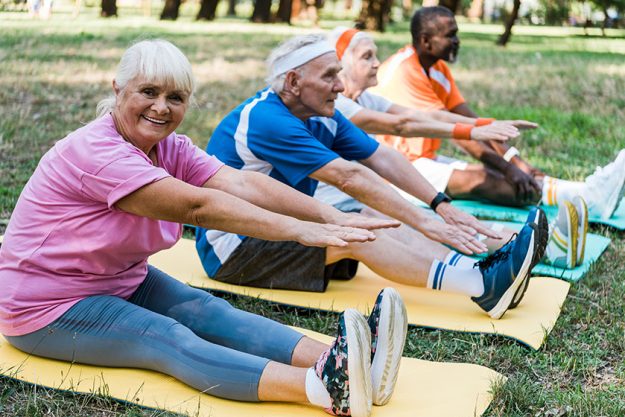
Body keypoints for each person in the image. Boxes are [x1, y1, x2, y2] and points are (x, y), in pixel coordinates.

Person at [0, 39, 411, 417]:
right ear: (117, 89)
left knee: (210, 312)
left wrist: (330, 216)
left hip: (115, 279)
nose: (161, 107)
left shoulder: (168, 148)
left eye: (175, 98)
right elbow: (199, 206)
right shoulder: (98, 153)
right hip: (45, 305)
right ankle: (325, 388)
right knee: (165, 336)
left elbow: (242, 182)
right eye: (149, 92)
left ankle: (354, 363)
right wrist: (301, 231)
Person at [197, 34, 548, 320]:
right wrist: (427, 221)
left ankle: (482, 269)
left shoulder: (321, 114)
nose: (339, 85)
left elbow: (381, 156)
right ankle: (479, 284)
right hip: (234, 250)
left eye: (338, 73)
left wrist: (438, 204)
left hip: (282, 228)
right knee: (355, 233)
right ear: (292, 81)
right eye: (329, 76)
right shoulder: (267, 119)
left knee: (375, 219)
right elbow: (348, 177)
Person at [315, 26, 592, 271]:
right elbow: (403, 124)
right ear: (342, 64)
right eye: (367, 57)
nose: (377, 63)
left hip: (365, 194)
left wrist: (484, 124)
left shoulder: (364, 98)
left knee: (435, 220)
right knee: (421, 225)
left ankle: (545, 249)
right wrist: (475, 129)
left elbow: (427, 117)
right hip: (343, 204)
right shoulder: (337, 105)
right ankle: (496, 268)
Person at [371, 6, 625, 219]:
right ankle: (588, 200)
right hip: (392, 169)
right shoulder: (404, 71)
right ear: (426, 41)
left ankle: (589, 194)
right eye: (450, 35)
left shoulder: (437, 68)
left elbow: (473, 123)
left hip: (422, 160)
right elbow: (458, 133)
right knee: (486, 180)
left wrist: (516, 161)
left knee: (512, 174)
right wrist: (508, 169)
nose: (457, 41)